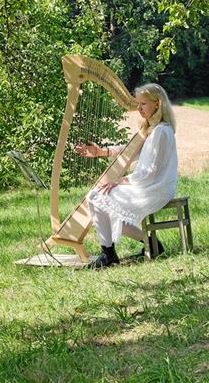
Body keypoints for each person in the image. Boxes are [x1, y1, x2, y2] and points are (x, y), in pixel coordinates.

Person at [75, 83, 178, 269]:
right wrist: (101, 152)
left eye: (143, 104)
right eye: (137, 104)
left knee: (99, 198)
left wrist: (120, 180)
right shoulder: (152, 129)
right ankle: (139, 246)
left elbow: (151, 171)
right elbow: (130, 151)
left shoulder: (162, 131)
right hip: (147, 184)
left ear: (157, 103)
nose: (138, 109)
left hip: (157, 187)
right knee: (98, 198)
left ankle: (110, 254)